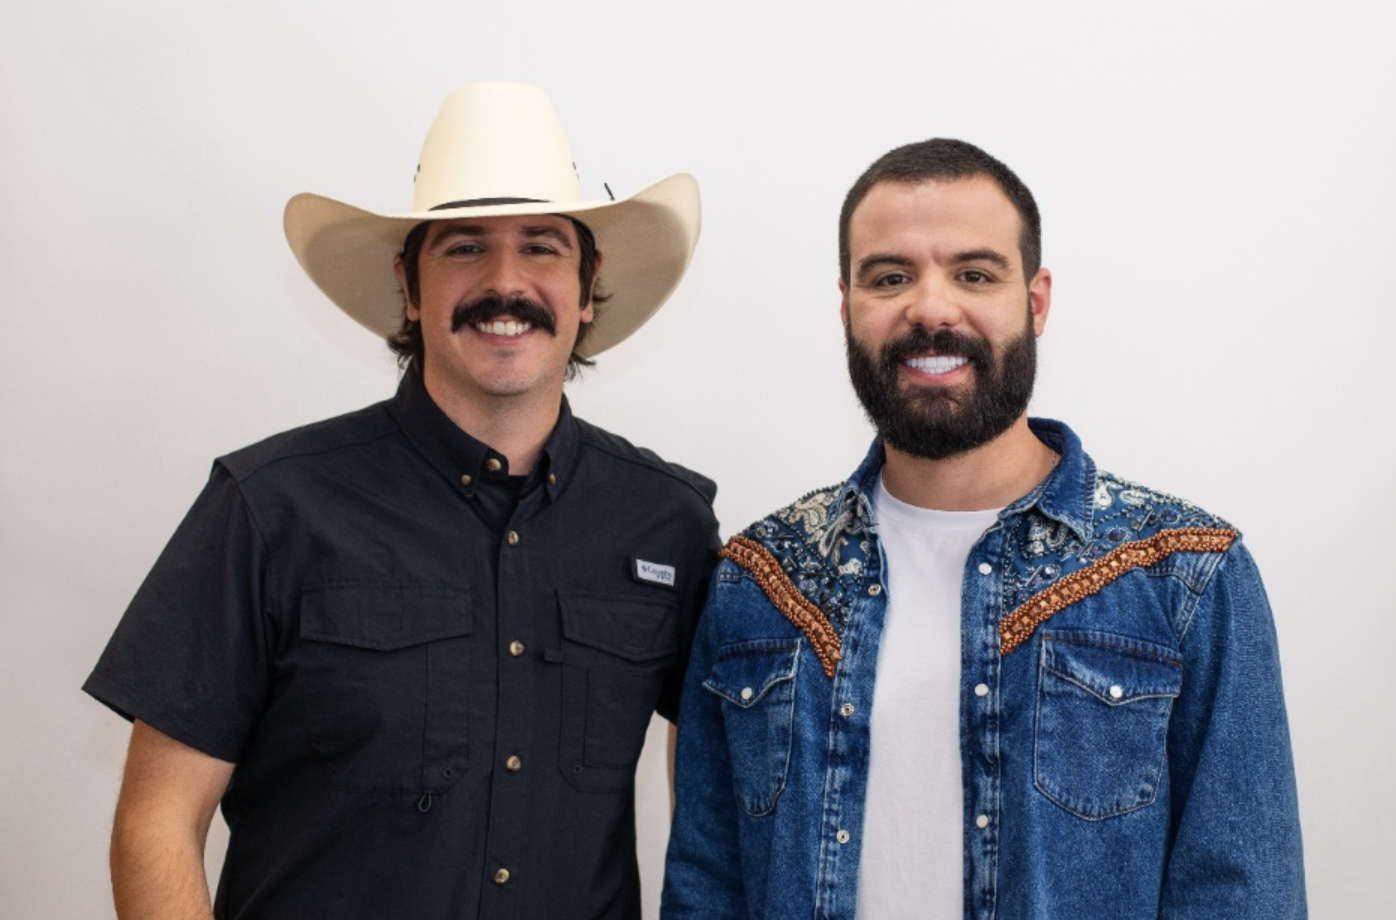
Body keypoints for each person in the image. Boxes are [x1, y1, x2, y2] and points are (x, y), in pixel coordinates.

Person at [84, 82, 719, 920]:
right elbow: (158, 822)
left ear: (587, 283)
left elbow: (719, 812)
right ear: (409, 288)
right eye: (464, 248)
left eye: (541, 247)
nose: (505, 282)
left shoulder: (668, 523)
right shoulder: (268, 509)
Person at [661, 138, 1304, 919]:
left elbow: (1242, 896)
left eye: (973, 274)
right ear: (846, 307)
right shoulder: (761, 580)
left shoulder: (1184, 578)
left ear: (1036, 302)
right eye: (890, 277)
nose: (932, 309)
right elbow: (706, 886)